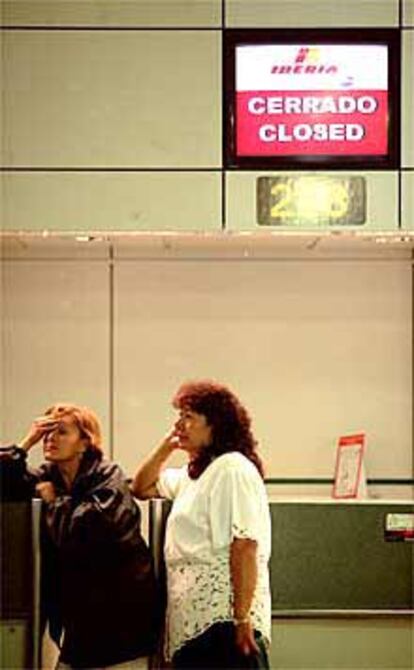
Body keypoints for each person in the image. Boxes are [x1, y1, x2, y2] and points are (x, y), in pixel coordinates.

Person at [0, 404, 157, 669]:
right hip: (80, 624)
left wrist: (53, 502)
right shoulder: (49, 476)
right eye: (46, 433)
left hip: (122, 621)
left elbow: (87, 531)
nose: (50, 438)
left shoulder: (108, 476)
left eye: (61, 432)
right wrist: (28, 441)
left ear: (85, 442)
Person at [132, 380, 271, 670]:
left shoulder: (232, 467)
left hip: (223, 622)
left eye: (188, 417)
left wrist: (242, 617)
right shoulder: (191, 476)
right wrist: (166, 446)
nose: (179, 425)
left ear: (215, 425)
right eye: (179, 417)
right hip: (193, 623)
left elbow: (244, 544)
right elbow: (141, 487)